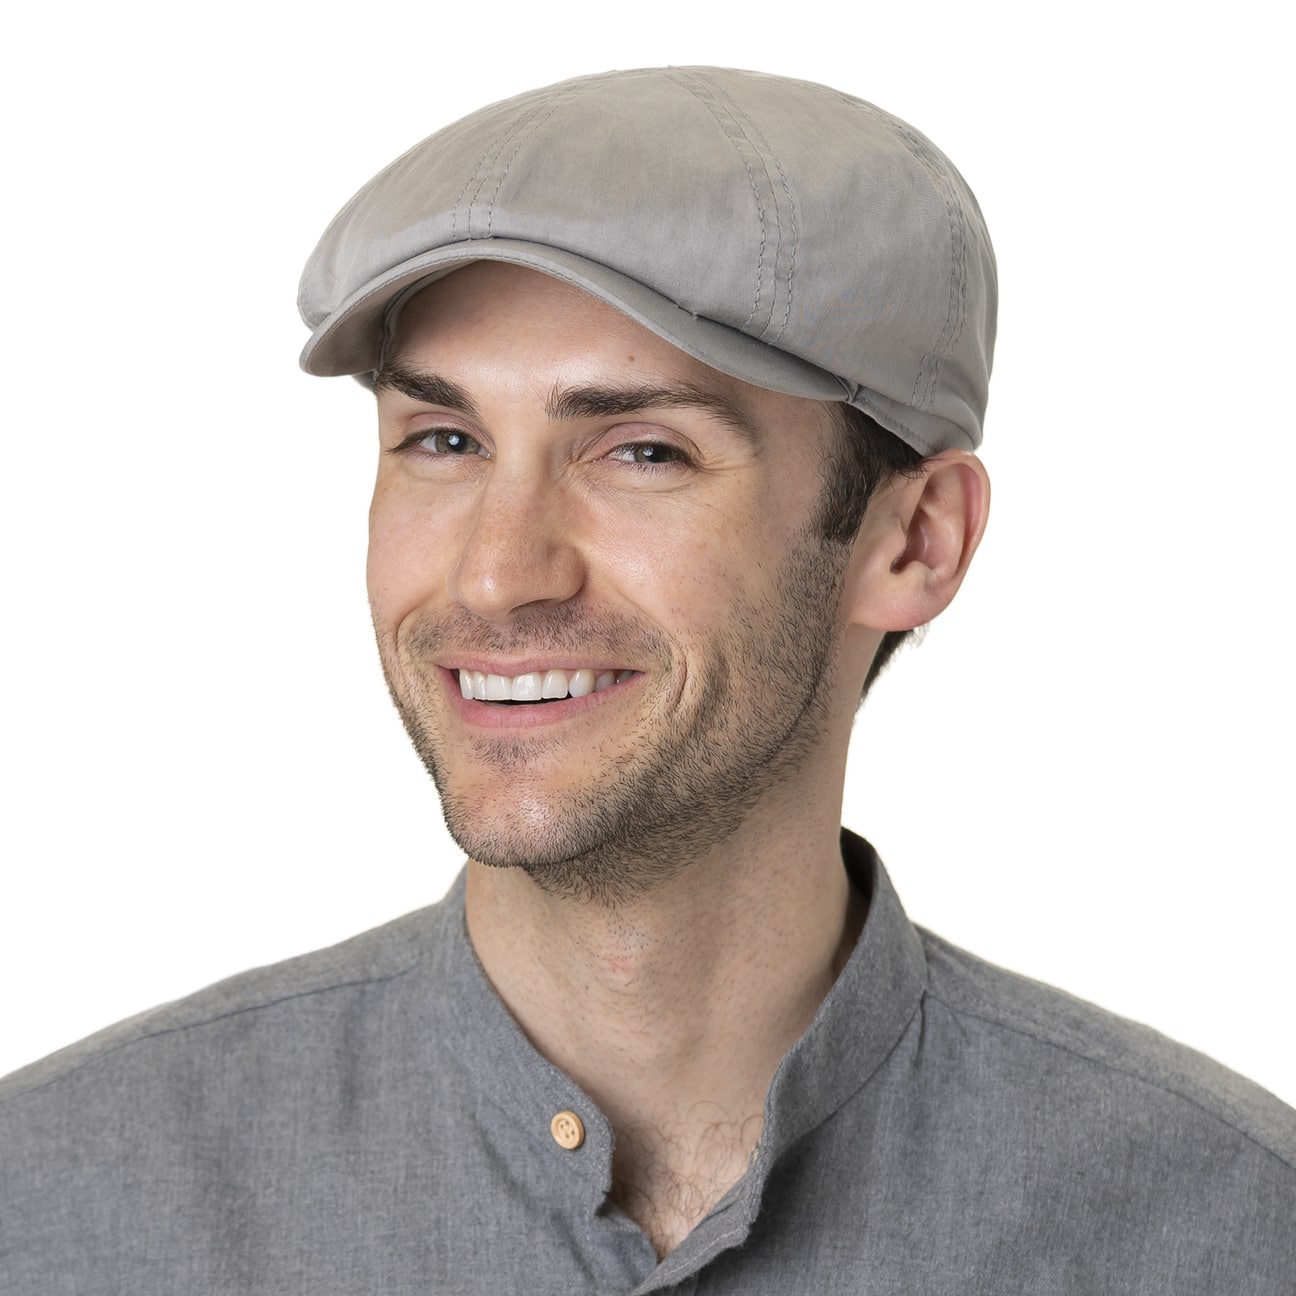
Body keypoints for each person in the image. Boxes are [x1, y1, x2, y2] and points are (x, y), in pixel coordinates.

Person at [2, 66, 1292, 1294]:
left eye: (643, 453)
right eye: (443, 440)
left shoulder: (1231, 1230)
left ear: (915, 541)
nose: (496, 576)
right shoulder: (55, 1209)